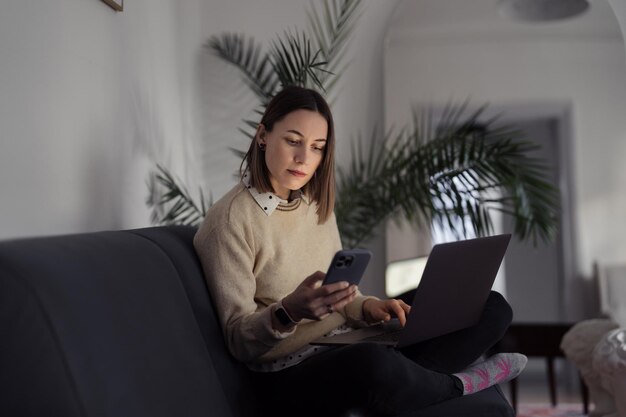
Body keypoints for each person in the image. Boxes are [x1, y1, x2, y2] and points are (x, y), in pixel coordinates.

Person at [193, 85, 527, 416]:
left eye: (317, 147)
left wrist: (369, 306)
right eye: (293, 141)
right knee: (372, 365)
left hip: (349, 338)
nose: (303, 159)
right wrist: (289, 311)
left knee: (489, 306)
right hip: (288, 372)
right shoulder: (230, 221)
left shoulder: (313, 204)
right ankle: (456, 385)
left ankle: (410, 385)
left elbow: (339, 294)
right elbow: (238, 339)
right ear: (263, 135)